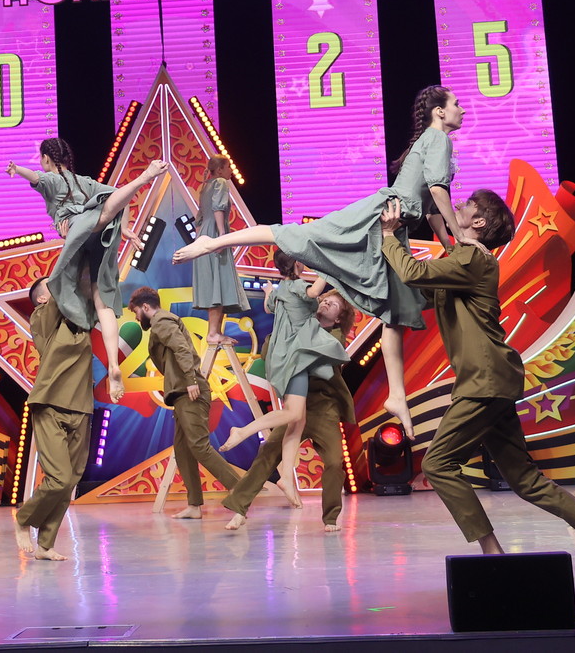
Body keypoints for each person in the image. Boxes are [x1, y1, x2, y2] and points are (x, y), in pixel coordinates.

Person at [175, 86, 480, 436]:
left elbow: (430, 206)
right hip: (377, 219)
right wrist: (461, 238)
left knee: (395, 311)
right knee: (299, 235)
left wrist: (449, 242)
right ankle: (214, 241)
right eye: (456, 104)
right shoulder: (438, 139)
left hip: (393, 230)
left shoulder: (433, 141)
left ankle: (397, 396)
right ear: (439, 111)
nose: (462, 110)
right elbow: (439, 191)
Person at [379, 194, 575, 575]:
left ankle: (492, 552)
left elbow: (414, 273)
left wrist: (388, 236)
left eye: (466, 205)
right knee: (524, 479)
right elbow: (417, 291)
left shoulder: (473, 257)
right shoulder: (462, 260)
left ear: (479, 223)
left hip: (484, 379)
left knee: (437, 464)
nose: (458, 207)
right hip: (491, 377)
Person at [7, 138, 168, 402]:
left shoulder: (53, 179)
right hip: (95, 239)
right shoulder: (85, 182)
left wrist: (17, 170)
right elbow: (121, 198)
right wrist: (124, 228)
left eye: (41, 158)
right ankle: (114, 364)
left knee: (101, 217)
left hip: (79, 230)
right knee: (102, 302)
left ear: (46, 158)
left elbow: (35, 177)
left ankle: (144, 177)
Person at [215, 254, 349, 504]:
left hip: (291, 365)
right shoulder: (298, 287)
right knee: (293, 415)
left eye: (331, 303)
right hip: (293, 359)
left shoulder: (285, 291)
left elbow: (269, 307)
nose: (323, 302)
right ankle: (242, 431)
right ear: (297, 264)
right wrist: (328, 267)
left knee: (297, 421)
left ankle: (286, 476)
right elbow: (313, 292)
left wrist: (269, 291)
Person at [223, 288, 357, 532]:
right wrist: (281, 332)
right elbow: (269, 355)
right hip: (296, 405)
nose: (326, 303)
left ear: (339, 318)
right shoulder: (297, 326)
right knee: (268, 452)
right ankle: (239, 509)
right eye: (325, 300)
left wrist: (289, 332)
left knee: (334, 461)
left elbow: (311, 356)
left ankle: (330, 518)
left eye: (333, 304)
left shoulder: (335, 339)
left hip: (324, 408)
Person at [128, 287, 241, 518]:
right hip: (181, 393)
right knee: (183, 450)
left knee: (199, 446)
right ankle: (194, 505)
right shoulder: (162, 322)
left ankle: (241, 490)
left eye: (136, 311)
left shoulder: (161, 321)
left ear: (146, 307)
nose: (137, 317)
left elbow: (181, 348)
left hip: (189, 391)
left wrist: (191, 380)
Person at [14, 278, 95, 560]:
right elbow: (64, 281)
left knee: (69, 481)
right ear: (42, 299)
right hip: (50, 403)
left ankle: (45, 545)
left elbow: (87, 286)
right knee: (59, 478)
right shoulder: (43, 319)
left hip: (81, 406)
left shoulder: (82, 321)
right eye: (52, 286)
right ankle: (23, 519)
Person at [190, 156, 248, 345]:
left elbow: (199, 218)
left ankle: (215, 332)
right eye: (228, 166)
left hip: (204, 235)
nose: (231, 170)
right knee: (218, 282)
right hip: (215, 233)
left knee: (216, 282)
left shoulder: (206, 186)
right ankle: (213, 333)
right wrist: (222, 235)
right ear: (220, 170)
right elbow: (218, 208)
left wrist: (200, 241)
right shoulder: (221, 182)